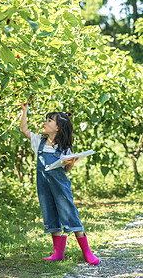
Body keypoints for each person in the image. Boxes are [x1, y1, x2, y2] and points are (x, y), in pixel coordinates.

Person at [20, 101, 99, 265]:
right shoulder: (39, 142)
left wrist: (71, 162)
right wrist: (24, 111)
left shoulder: (64, 148)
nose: (45, 123)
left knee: (70, 214)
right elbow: (24, 130)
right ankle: (58, 253)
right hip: (44, 187)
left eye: (49, 121)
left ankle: (87, 252)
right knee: (50, 214)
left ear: (57, 128)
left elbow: (67, 169)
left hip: (61, 187)